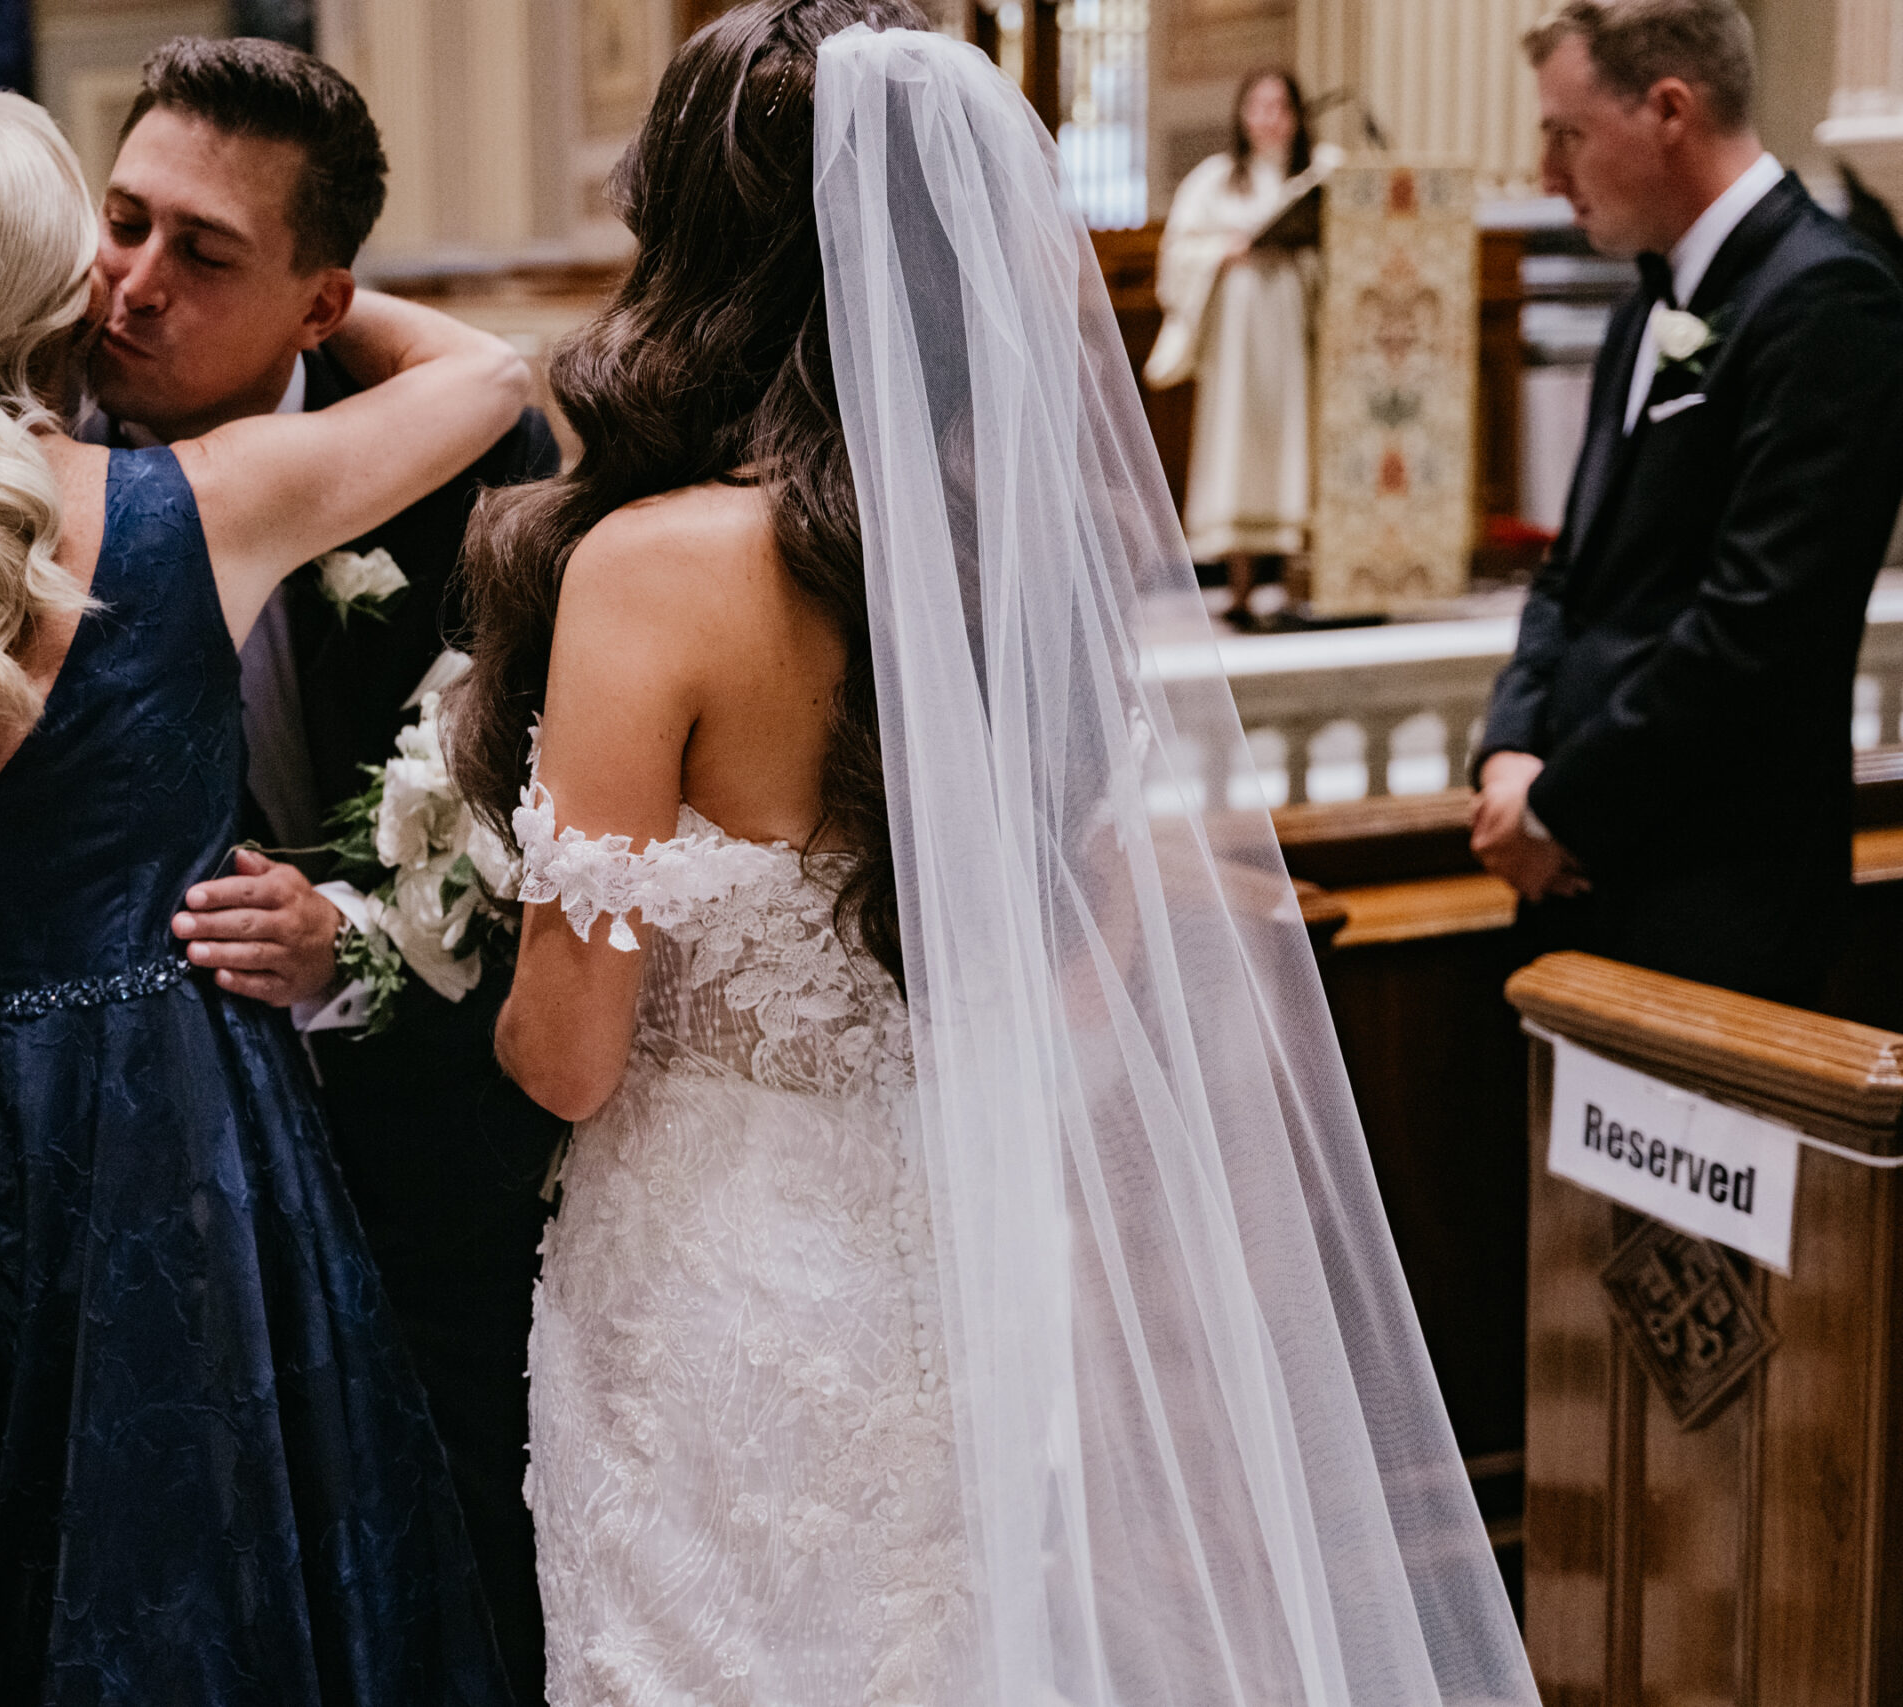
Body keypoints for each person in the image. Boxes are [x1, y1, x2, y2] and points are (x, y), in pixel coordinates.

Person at [448, 6, 1534, 1704]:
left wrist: (484, 952)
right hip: (959, 1258)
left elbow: (571, 1056)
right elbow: (1076, 965)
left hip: (712, 1286)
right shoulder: (1008, 551)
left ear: (700, 245)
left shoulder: (651, 572)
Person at [0, 40, 568, 1697]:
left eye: (202, 253)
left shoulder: (451, 488)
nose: (137, 286)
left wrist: (354, 936)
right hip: (174, 1119)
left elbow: (553, 811)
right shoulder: (114, 487)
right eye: (120, 226)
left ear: (321, 301)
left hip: (278, 1119)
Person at [1475, 0, 1903, 1007]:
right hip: (1575, 880)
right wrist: (1509, 750)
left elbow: (1756, 628)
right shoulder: (1647, 309)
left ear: (1669, 110)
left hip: (1715, 907)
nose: (1547, 175)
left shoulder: (1830, 299)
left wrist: (1557, 807)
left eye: (1567, 135)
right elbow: (1571, 573)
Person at [1147, 69, 1335, 628]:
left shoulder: (1316, 174)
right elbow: (1177, 254)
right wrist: (1221, 253)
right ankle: (1240, 587)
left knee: (1296, 443)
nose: (1269, 117)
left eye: (1280, 106)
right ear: (1242, 115)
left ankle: (1299, 585)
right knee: (1235, 445)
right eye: (1258, 105)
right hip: (1237, 338)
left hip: (1292, 327)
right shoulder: (1215, 180)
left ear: (1297, 116)